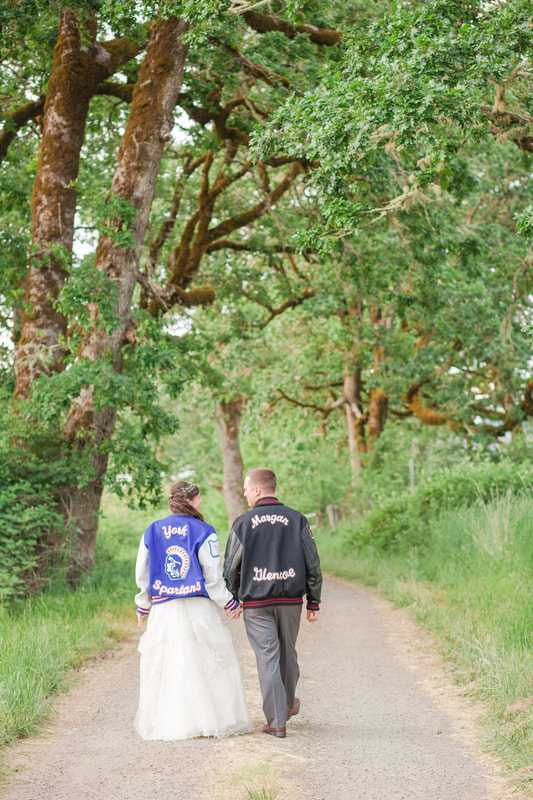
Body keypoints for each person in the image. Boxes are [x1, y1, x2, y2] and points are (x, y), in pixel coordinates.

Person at [134, 480, 253, 741]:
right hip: (196, 606)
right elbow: (211, 576)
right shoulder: (203, 531)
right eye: (198, 498)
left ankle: (172, 721)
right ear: (190, 500)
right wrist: (229, 602)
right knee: (207, 660)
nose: (200, 503)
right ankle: (207, 720)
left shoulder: (152, 531)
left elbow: (142, 571)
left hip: (164, 609)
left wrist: (143, 604)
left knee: (169, 663)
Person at [224, 467, 322, 738]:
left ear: (257, 489)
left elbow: (231, 565)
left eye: (246, 488)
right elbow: (312, 562)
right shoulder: (297, 520)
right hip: (290, 600)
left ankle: (277, 720)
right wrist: (313, 601)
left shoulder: (243, 523)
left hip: (256, 604)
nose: (244, 492)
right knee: (288, 652)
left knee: (267, 657)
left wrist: (232, 597)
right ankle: (288, 704)